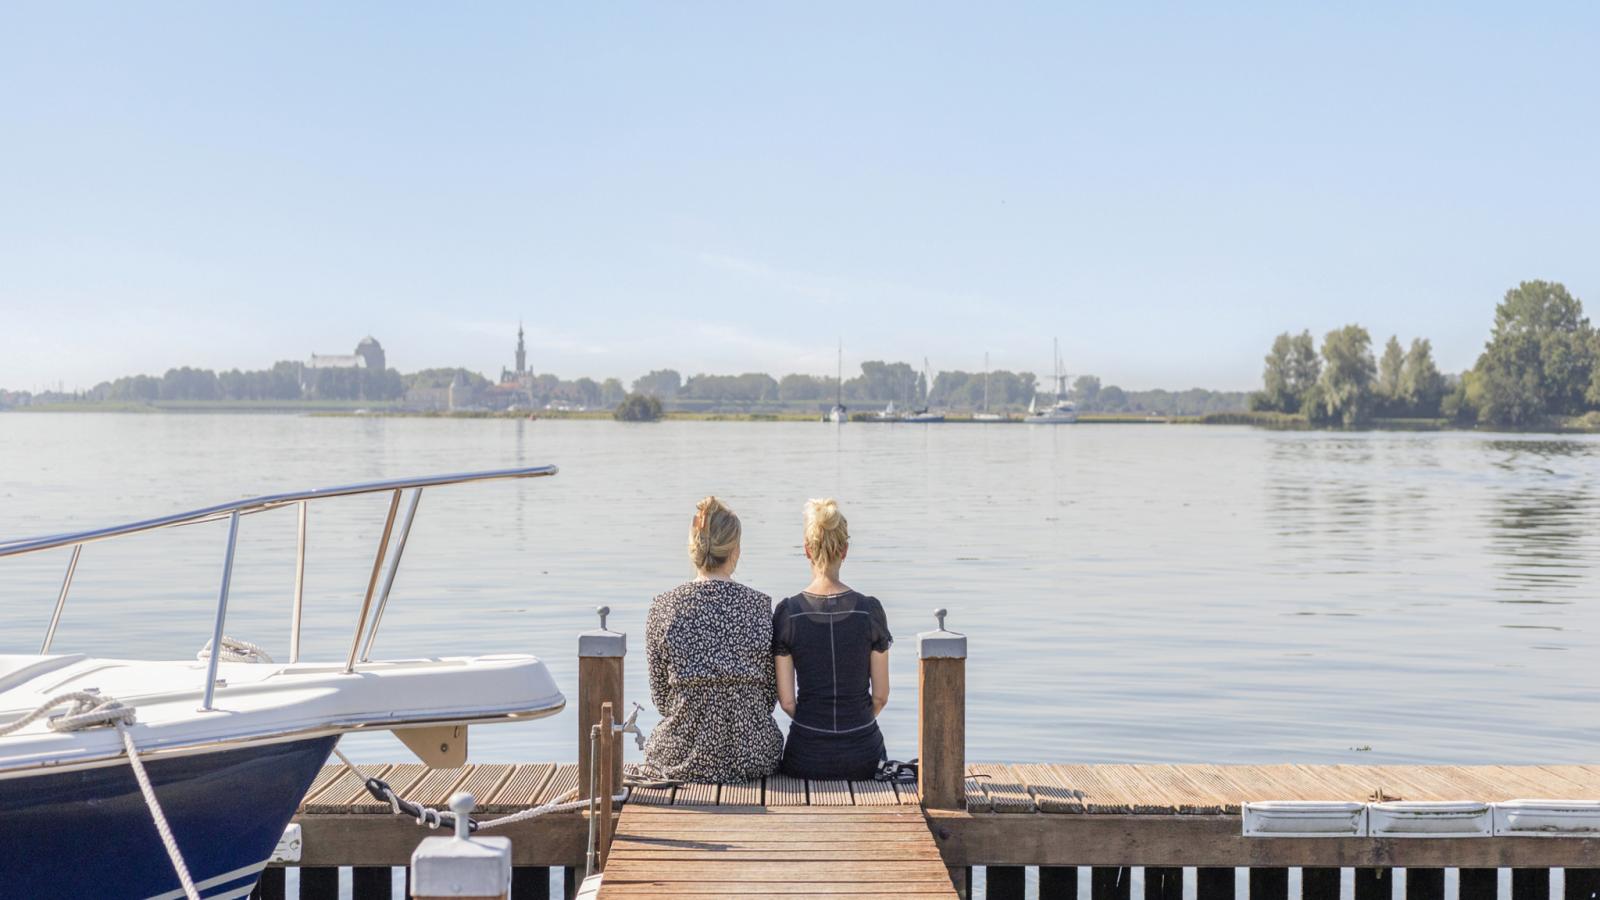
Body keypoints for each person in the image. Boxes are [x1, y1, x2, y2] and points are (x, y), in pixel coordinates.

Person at [642, 496, 784, 783]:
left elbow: (660, 698)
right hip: (752, 754)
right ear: (735, 550)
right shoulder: (759, 606)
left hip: (680, 755)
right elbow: (769, 696)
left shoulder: (663, 607)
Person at [772, 498, 892, 780]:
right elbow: (881, 697)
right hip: (865, 755)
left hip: (806, 756)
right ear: (845, 550)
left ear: (807, 550)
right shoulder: (870, 611)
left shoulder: (788, 613)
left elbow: (787, 703)